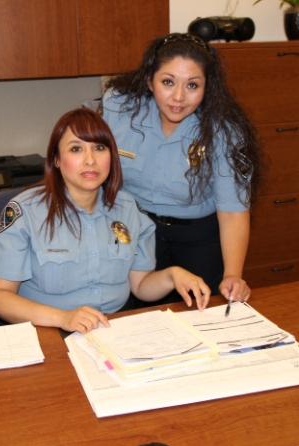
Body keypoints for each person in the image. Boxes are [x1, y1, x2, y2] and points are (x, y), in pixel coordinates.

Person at [0, 108, 210, 334]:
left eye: (99, 148)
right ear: (57, 160)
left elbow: (140, 286)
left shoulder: (127, 209)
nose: (90, 160)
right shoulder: (26, 212)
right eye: (76, 149)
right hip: (47, 330)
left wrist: (172, 275)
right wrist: (63, 318)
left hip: (113, 329)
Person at [102, 32, 260, 305]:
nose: (178, 97)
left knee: (201, 325)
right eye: (168, 82)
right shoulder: (120, 106)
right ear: (150, 80)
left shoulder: (224, 130)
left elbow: (233, 212)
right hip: (133, 232)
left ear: (207, 87)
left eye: (192, 85)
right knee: (129, 322)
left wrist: (233, 274)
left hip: (197, 240)